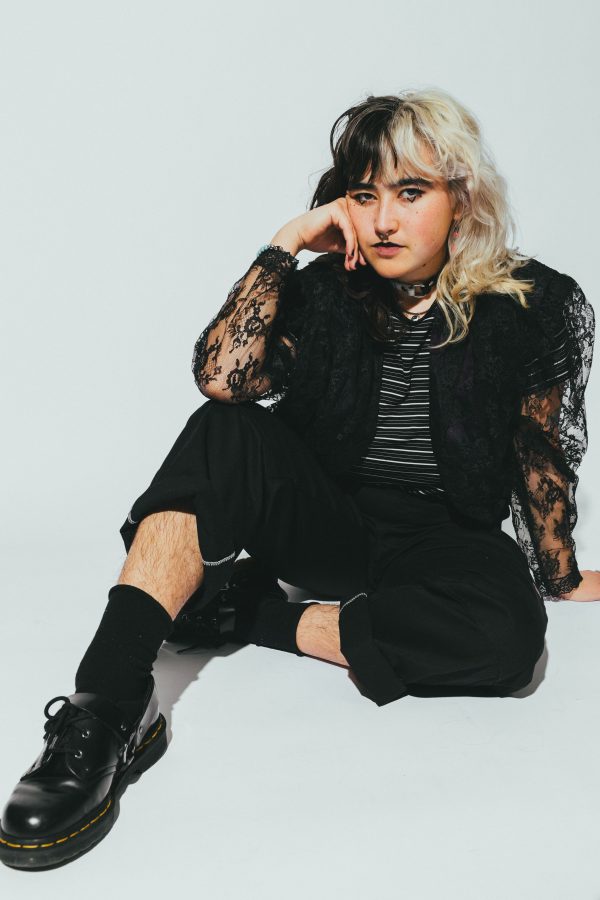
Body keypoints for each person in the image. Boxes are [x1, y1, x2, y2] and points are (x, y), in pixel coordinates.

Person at [0, 87, 597, 871]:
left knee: (510, 638)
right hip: (330, 521)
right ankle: (105, 703)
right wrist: (287, 243)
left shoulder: (534, 303)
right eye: (364, 195)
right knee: (223, 428)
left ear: (462, 197)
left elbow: (539, 450)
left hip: (445, 534)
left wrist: (558, 573)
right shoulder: (324, 292)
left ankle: (242, 612)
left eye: (410, 193)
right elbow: (221, 378)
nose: (383, 221)